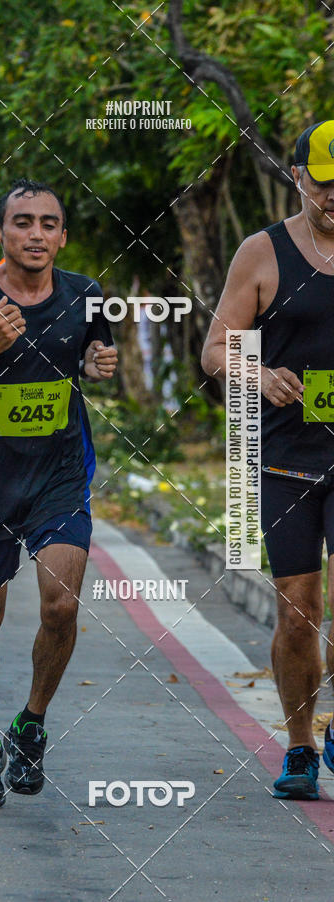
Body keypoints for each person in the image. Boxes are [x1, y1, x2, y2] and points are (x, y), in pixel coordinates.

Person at [0, 178, 118, 808]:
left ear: (63, 237)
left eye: (48, 224)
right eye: (22, 222)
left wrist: (95, 368)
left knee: (61, 607)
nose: (36, 234)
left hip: (60, 476)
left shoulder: (86, 296)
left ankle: (31, 724)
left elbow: (93, 360)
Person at [202, 120, 334, 801]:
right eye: (325, 184)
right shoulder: (263, 252)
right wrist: (258, 375)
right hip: (288, 461)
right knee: (299, 612)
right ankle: (301, 745)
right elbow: (216, 350)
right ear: (299, 178)